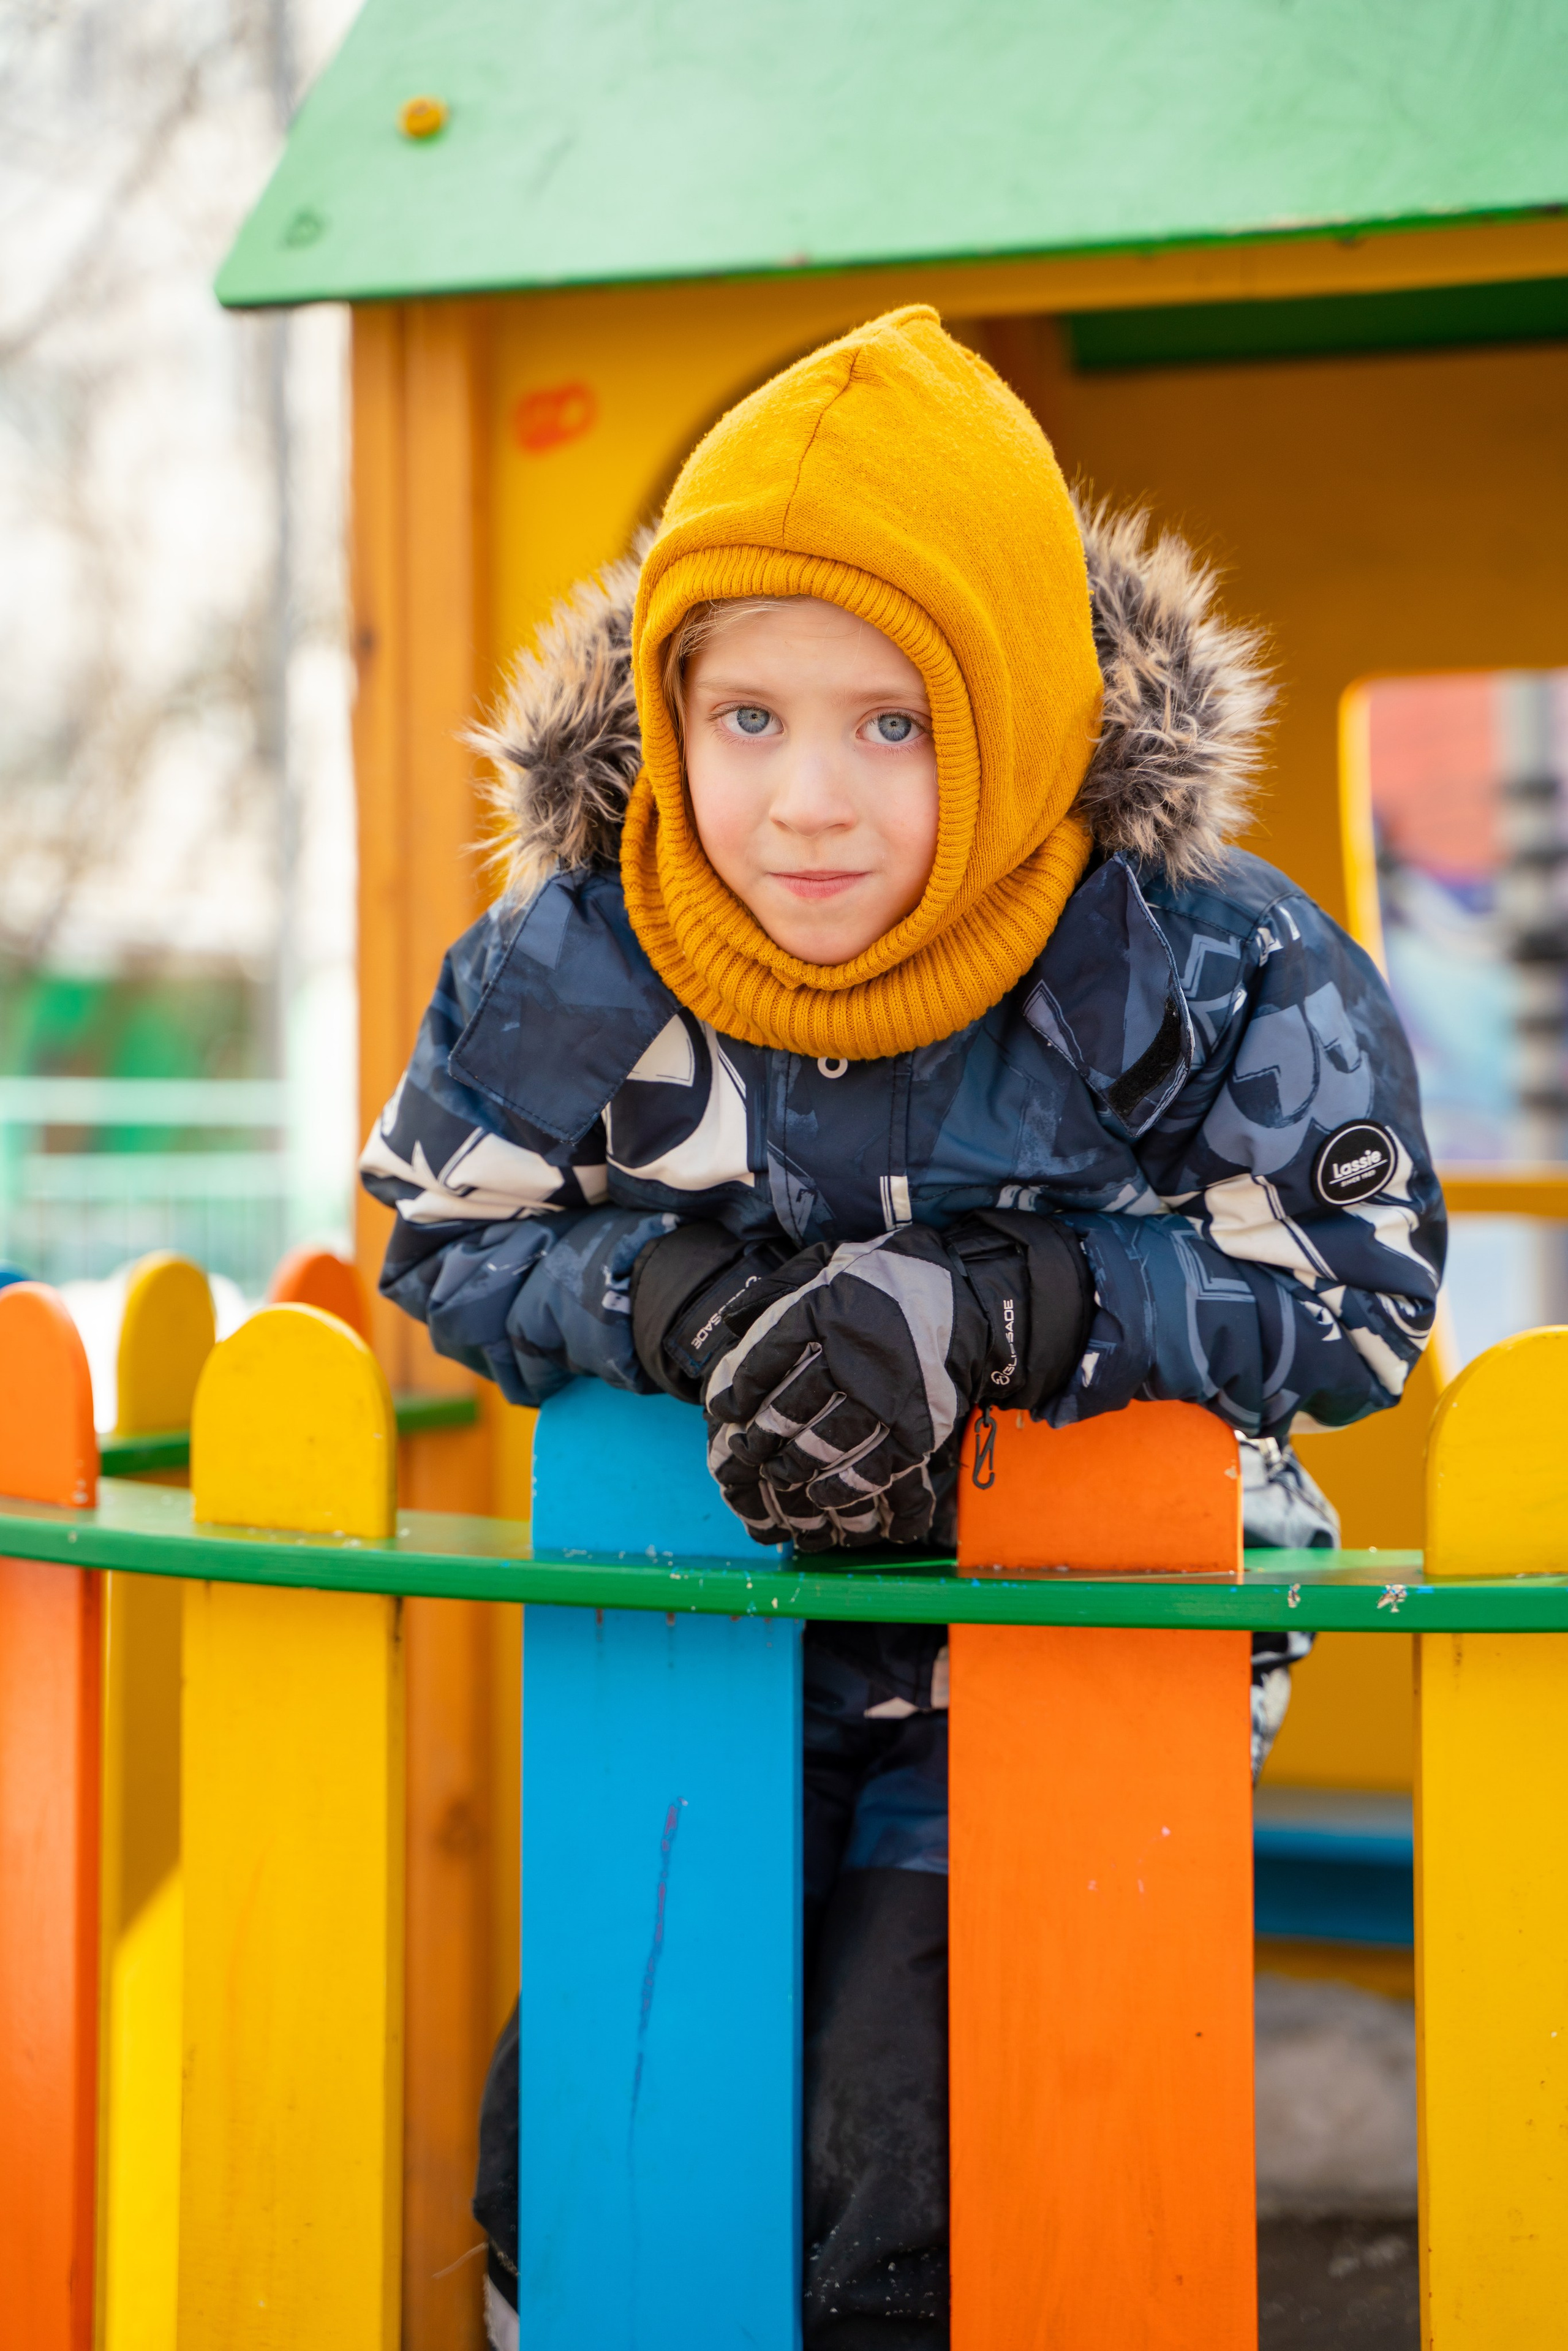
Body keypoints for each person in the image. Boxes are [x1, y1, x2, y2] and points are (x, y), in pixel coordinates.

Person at [360, 306, 1444, 2350]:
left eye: (895, 723)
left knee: (907, 2142)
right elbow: (440, 1232)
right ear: (665, 709)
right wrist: (670, 1302)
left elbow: (1359, 1295)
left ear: (1019, 712)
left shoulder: (1197, 964)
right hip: (727, 1619)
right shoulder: (573, 962)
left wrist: (1007, 1310)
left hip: (1079, 1634)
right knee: (599, 2117)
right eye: (745, 718)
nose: (806, 807)